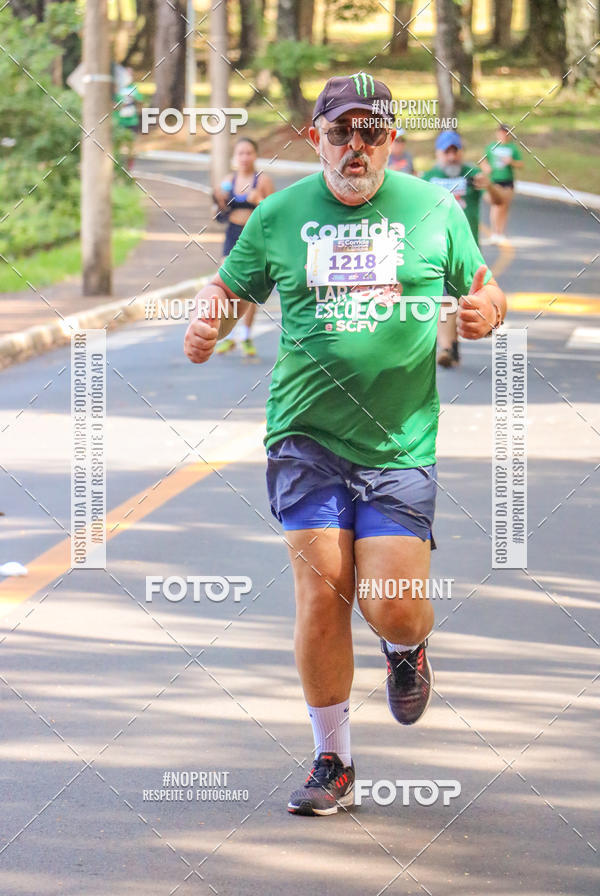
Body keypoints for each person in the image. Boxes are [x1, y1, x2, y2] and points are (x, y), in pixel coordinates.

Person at [184, 73, 506, 817]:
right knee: (322, 590)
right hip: (306, 434)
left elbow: (486, 286)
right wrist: (207, 322)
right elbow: (229, 290)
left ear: (392, 138)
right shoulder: (279, 214)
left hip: (399, 441)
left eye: (372, 132)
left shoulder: (433, 209)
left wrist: (487, 310)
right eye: (340, 132)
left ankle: (406, 648)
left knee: (392, 604)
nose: (355, 147)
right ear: (315, 138)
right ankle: (334, 760)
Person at [422, 130, 503, 368]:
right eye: (446, 152)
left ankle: (454, 343)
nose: (451, 157)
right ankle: (447, 347)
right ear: (438, 154)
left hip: (467, 249)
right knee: (444, 298)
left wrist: (489, 186)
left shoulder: (473, 174)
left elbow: (498, 201)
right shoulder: (428, 178)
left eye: (455, 151)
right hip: (437, 249)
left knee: (464, 298)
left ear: (461, 152)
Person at [212, 138, 274, 358]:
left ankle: (246, 335)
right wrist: (219, 200)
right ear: (235, 157)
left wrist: (259, 200)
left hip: (254, 236)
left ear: (255, 155)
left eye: (249, 152)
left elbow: (274, 212)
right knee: (226, 282)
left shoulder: (262, 180)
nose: (245, 157)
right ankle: (228, 335)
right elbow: (219, 214)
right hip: (232, 234)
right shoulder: (228, 181)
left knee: (248, 288)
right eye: (241, 153)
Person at [482, 123, 524, 244]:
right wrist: (486, 167)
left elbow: (520, 164)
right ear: (497, 133)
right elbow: (483, 161)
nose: (503, 135)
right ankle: (494, 232)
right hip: (495, 180)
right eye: (501, 132)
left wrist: (511, 162)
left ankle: (501, 232)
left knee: (504, 206)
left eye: (506, 133)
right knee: (496, 205)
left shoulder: (512, 148)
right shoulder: (491, 147)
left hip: (508, 180)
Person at [113, 67, 142, 171]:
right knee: (118, 145)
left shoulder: (134, 88)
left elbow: (140, 103)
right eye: (127, 74)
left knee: (131, 145)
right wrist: (120, 105)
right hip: (119, 121)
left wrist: (133, 100)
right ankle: (117, 166)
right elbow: (112, 103)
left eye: (131, 74)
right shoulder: (117, 88)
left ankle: (129, 167)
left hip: (132, 121)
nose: (129, 77)